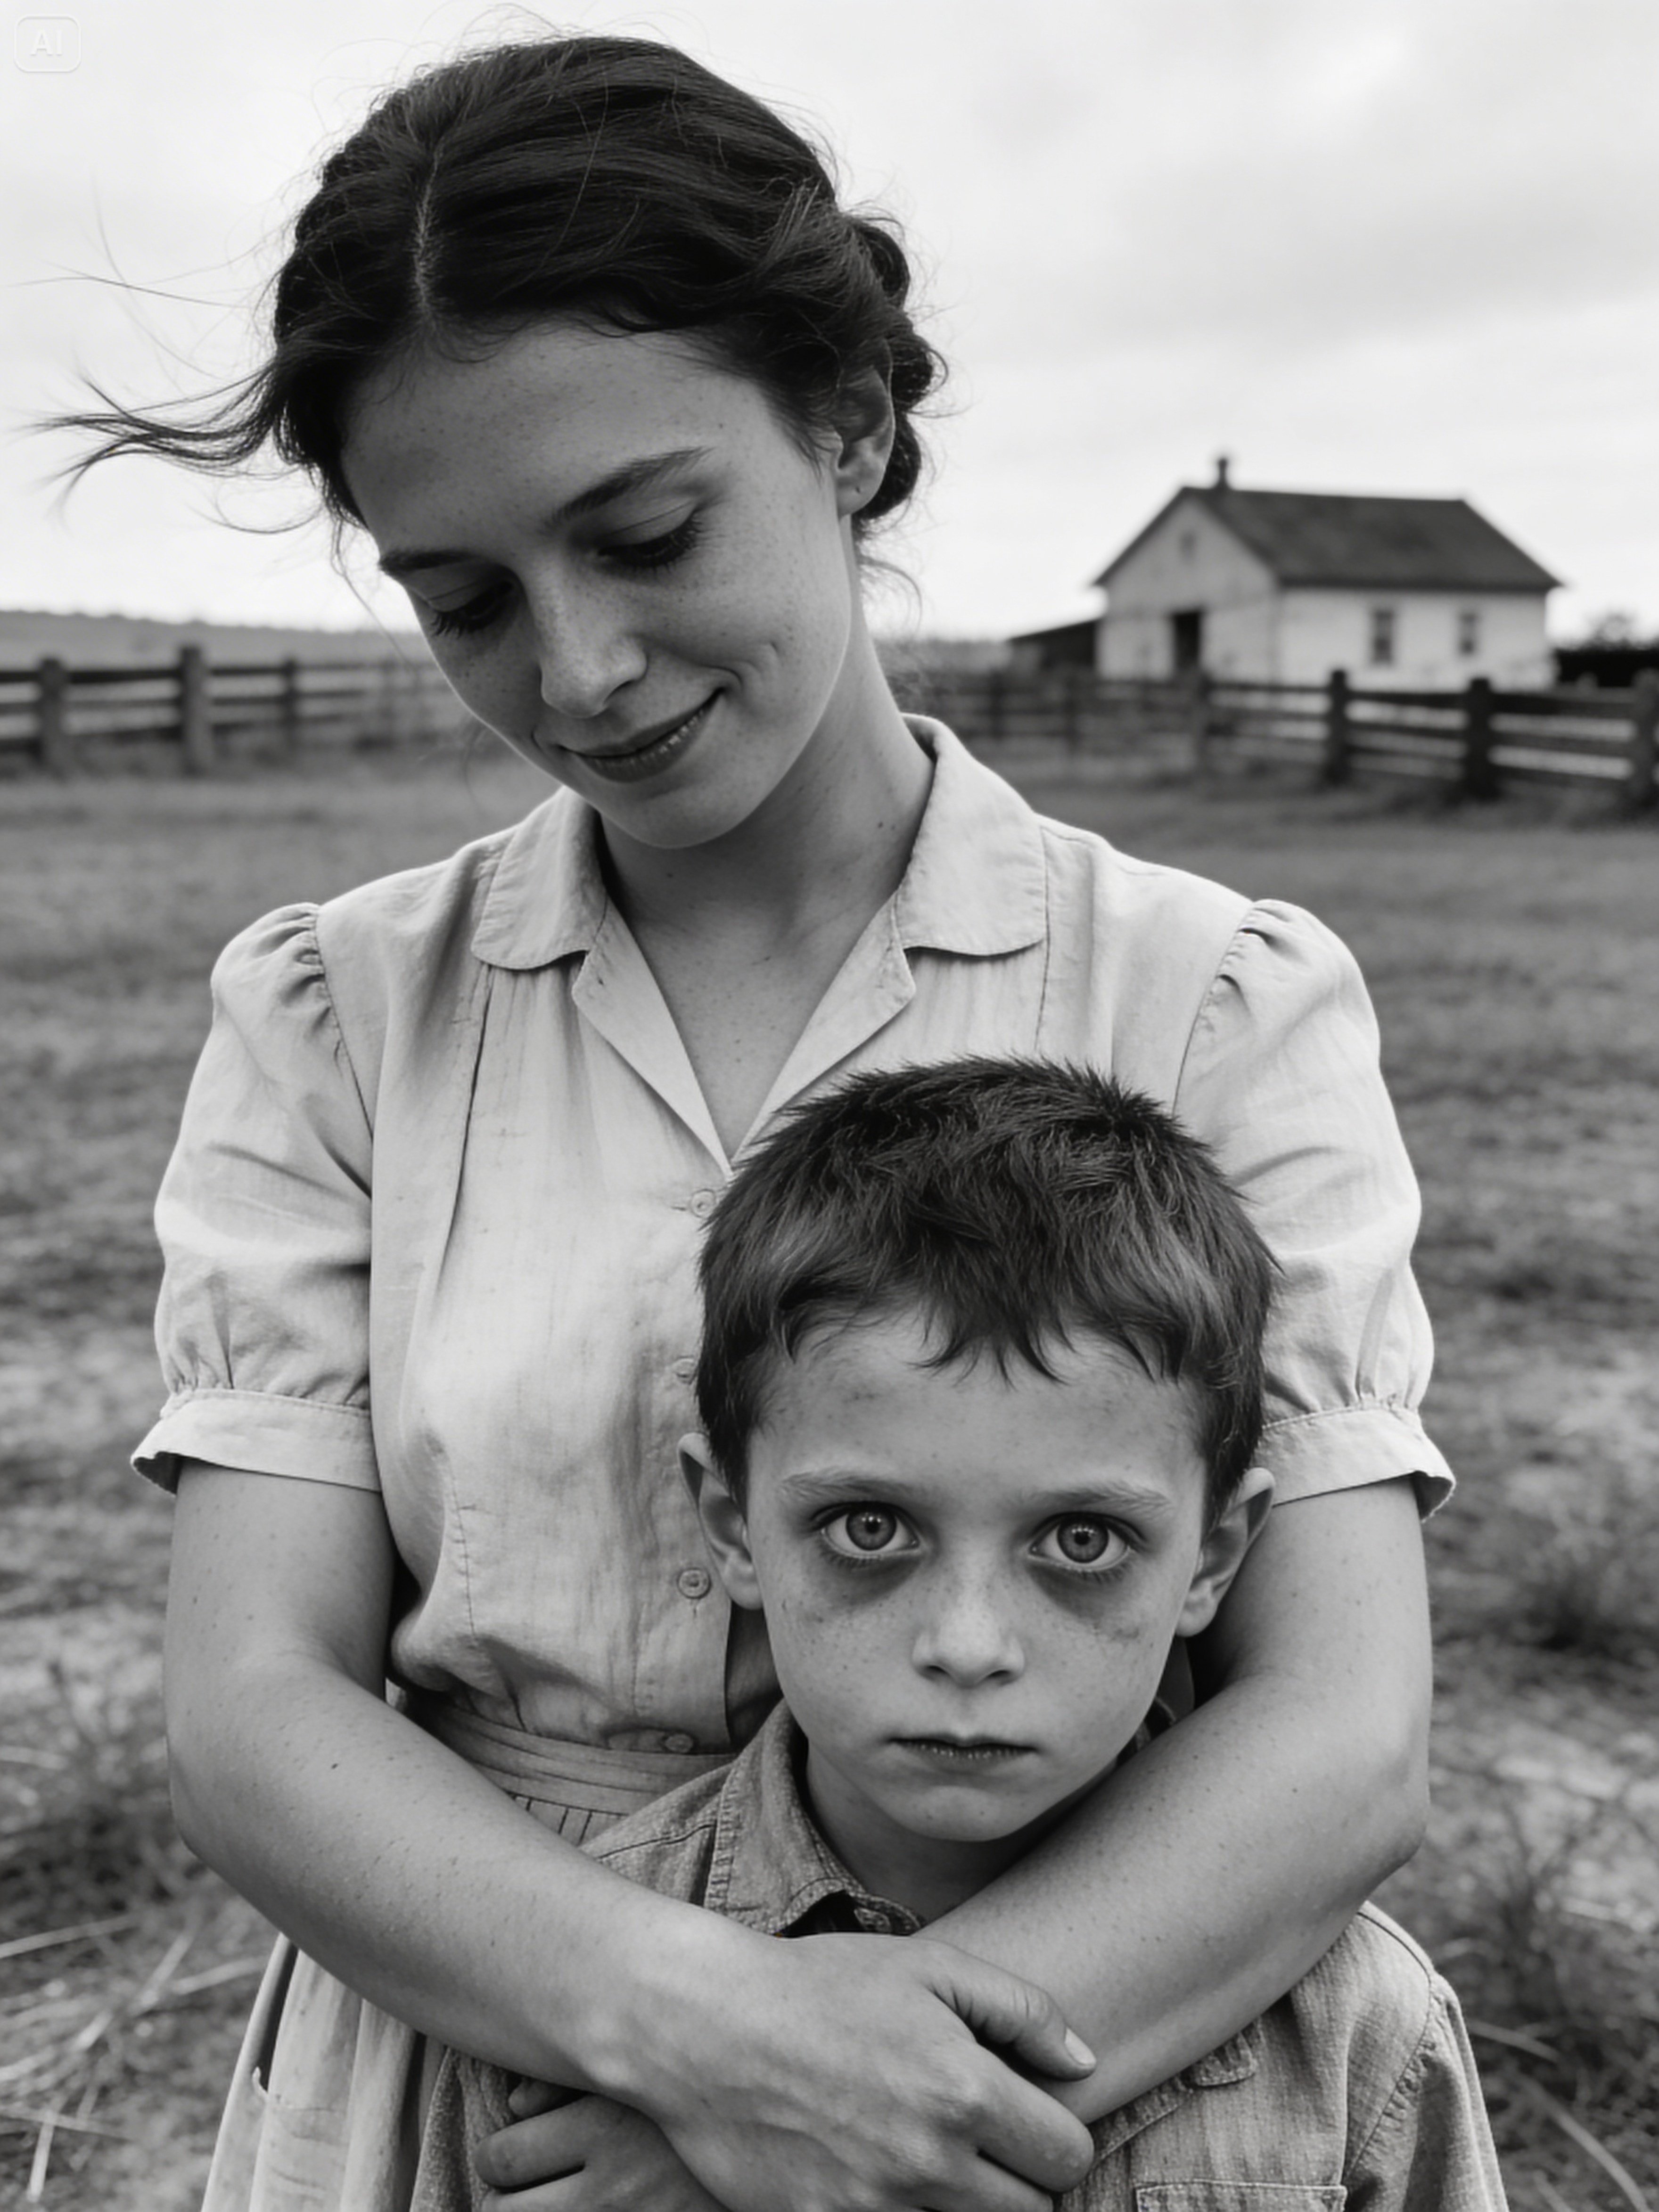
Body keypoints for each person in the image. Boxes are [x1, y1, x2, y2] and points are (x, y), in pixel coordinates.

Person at [68, 31, 1449, 2212]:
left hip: (1101, 2067)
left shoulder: (1211, 994)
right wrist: (684, 2039)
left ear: (851, 423)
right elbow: (256, 1699)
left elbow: (1340, 1719)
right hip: (497, 2086)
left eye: (645, 532)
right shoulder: (336, 1012)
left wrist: (881, 2091)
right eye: (467, 601)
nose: (584, 667)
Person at [416, 1061, 1502, 2212]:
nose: (969, 1644)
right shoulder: (556, 2013)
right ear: (731, 1526)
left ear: (1216, 1556)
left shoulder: (1357, 2023)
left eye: (1079, 1542)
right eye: (869, 1527)